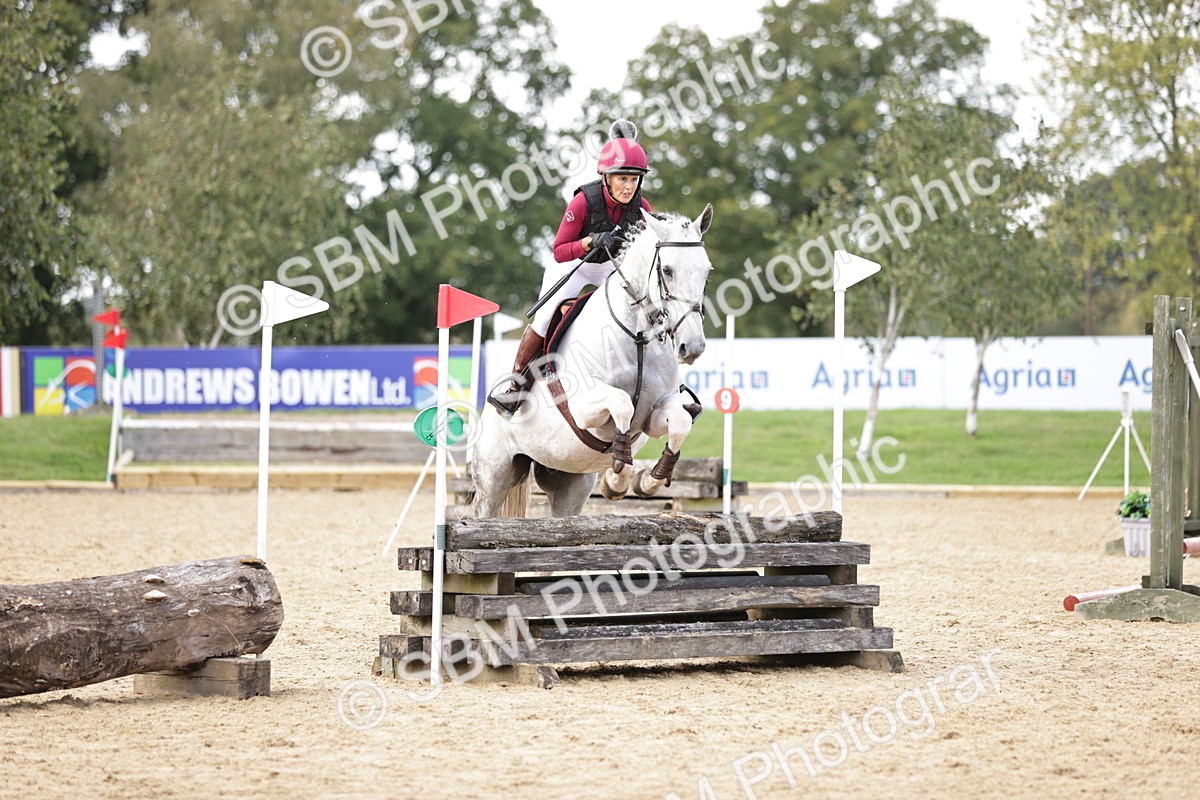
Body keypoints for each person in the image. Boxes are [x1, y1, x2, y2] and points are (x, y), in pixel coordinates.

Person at [487, 119, 653, 417]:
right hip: (576, 264)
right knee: (543, 318)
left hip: (611, 267)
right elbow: (560, 251)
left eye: (634, 179)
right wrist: (589, 241)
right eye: (622, 179)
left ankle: (663, 383)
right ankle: (515, 389)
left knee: (645, 309)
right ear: (606, 177)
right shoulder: (582, 202)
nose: (629, 186)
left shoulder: (643, 209)